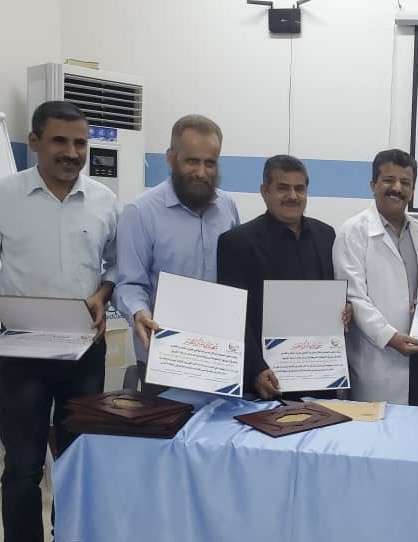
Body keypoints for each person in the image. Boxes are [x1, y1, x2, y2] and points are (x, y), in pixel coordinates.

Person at [0, 101, 119, 542]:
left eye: (80, 143)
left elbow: (116, 265)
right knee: (23, 466)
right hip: (19, 351)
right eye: (59, 141)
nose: (72, 152)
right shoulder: (5, 196)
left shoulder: (105, 201)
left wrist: (103, 294)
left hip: (84, 350)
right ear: (34, 142)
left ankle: (70, 534)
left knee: (77, 457)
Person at [113, 115, 239, 390]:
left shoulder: (228, 207)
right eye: (192, 161)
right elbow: (130, 284)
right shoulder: (141, 212)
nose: (201, 172)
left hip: (218, 356)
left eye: (210, 163)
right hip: (164, 357)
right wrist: (138, 312)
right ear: (171, 158)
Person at [217, 155, 349, 398]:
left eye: (299, 188)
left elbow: (333, 295)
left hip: (320, 376)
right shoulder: (236, 243)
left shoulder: (326, 236)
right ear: (264, 191)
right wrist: (256, 369)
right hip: (267, 380)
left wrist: (345, 307)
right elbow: (234, 316)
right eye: (282, 188)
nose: (292, 196)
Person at [333, 149, 418, 405]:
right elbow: (354, 297)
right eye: (389, 180)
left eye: (405, 182)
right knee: (379, 427)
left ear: (413, 190)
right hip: (378, 357)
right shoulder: (352, 232)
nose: (397, 188)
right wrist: (390, 337)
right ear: (373, 185)